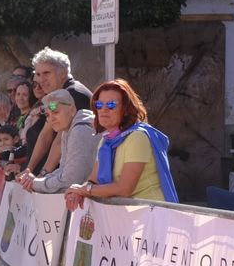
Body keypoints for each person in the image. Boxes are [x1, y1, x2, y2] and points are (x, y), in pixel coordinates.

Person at [66, 79, 178, 209]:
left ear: (126, 109)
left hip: (151, 216)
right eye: (99, 105)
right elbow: (93, 179)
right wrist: (78, 193)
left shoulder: (137, 137)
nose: (103, 110)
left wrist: (85, 190)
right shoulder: (105, 141)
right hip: (127, 216)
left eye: (111, 105)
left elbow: (124, 189)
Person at [24, 48, 94, 175]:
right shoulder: (57, 95)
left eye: (46, 73)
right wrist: (28, 170)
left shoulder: (73, 93)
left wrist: (43, 174)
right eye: (38, 74)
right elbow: (46, 134)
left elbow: (59, 140)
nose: (40, 80)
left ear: (63, 73)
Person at [18, 90, 96, 194]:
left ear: (72, 109)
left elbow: (70, 180)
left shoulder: (80, 130)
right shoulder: (67, 129)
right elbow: (63, 170)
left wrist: (36, 183)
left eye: (55, 112)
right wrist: (36, 180)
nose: (51, 119)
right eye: (47, 115)